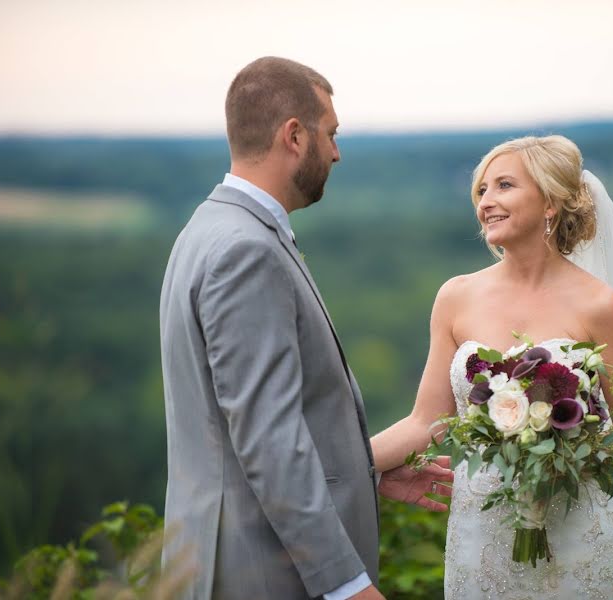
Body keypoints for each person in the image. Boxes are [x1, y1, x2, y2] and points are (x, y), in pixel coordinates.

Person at [159, 56, 452, 600]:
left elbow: (235, 429)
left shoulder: (205, 228)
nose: (337, 151)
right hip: (263, 573)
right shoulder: (246, 250)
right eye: (331, 133)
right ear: (294, 135)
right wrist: (346, 585)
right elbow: (269, 440)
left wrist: (364, 475)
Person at [370, 135, 613, 598]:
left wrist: (561, 458)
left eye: (504, 186)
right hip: (482, 531)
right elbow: (427, 422)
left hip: (577, 528)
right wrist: (349, 464)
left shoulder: (600, 305)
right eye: (482, 190)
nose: (487, 202)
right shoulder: (455, 297)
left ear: (550, 202)